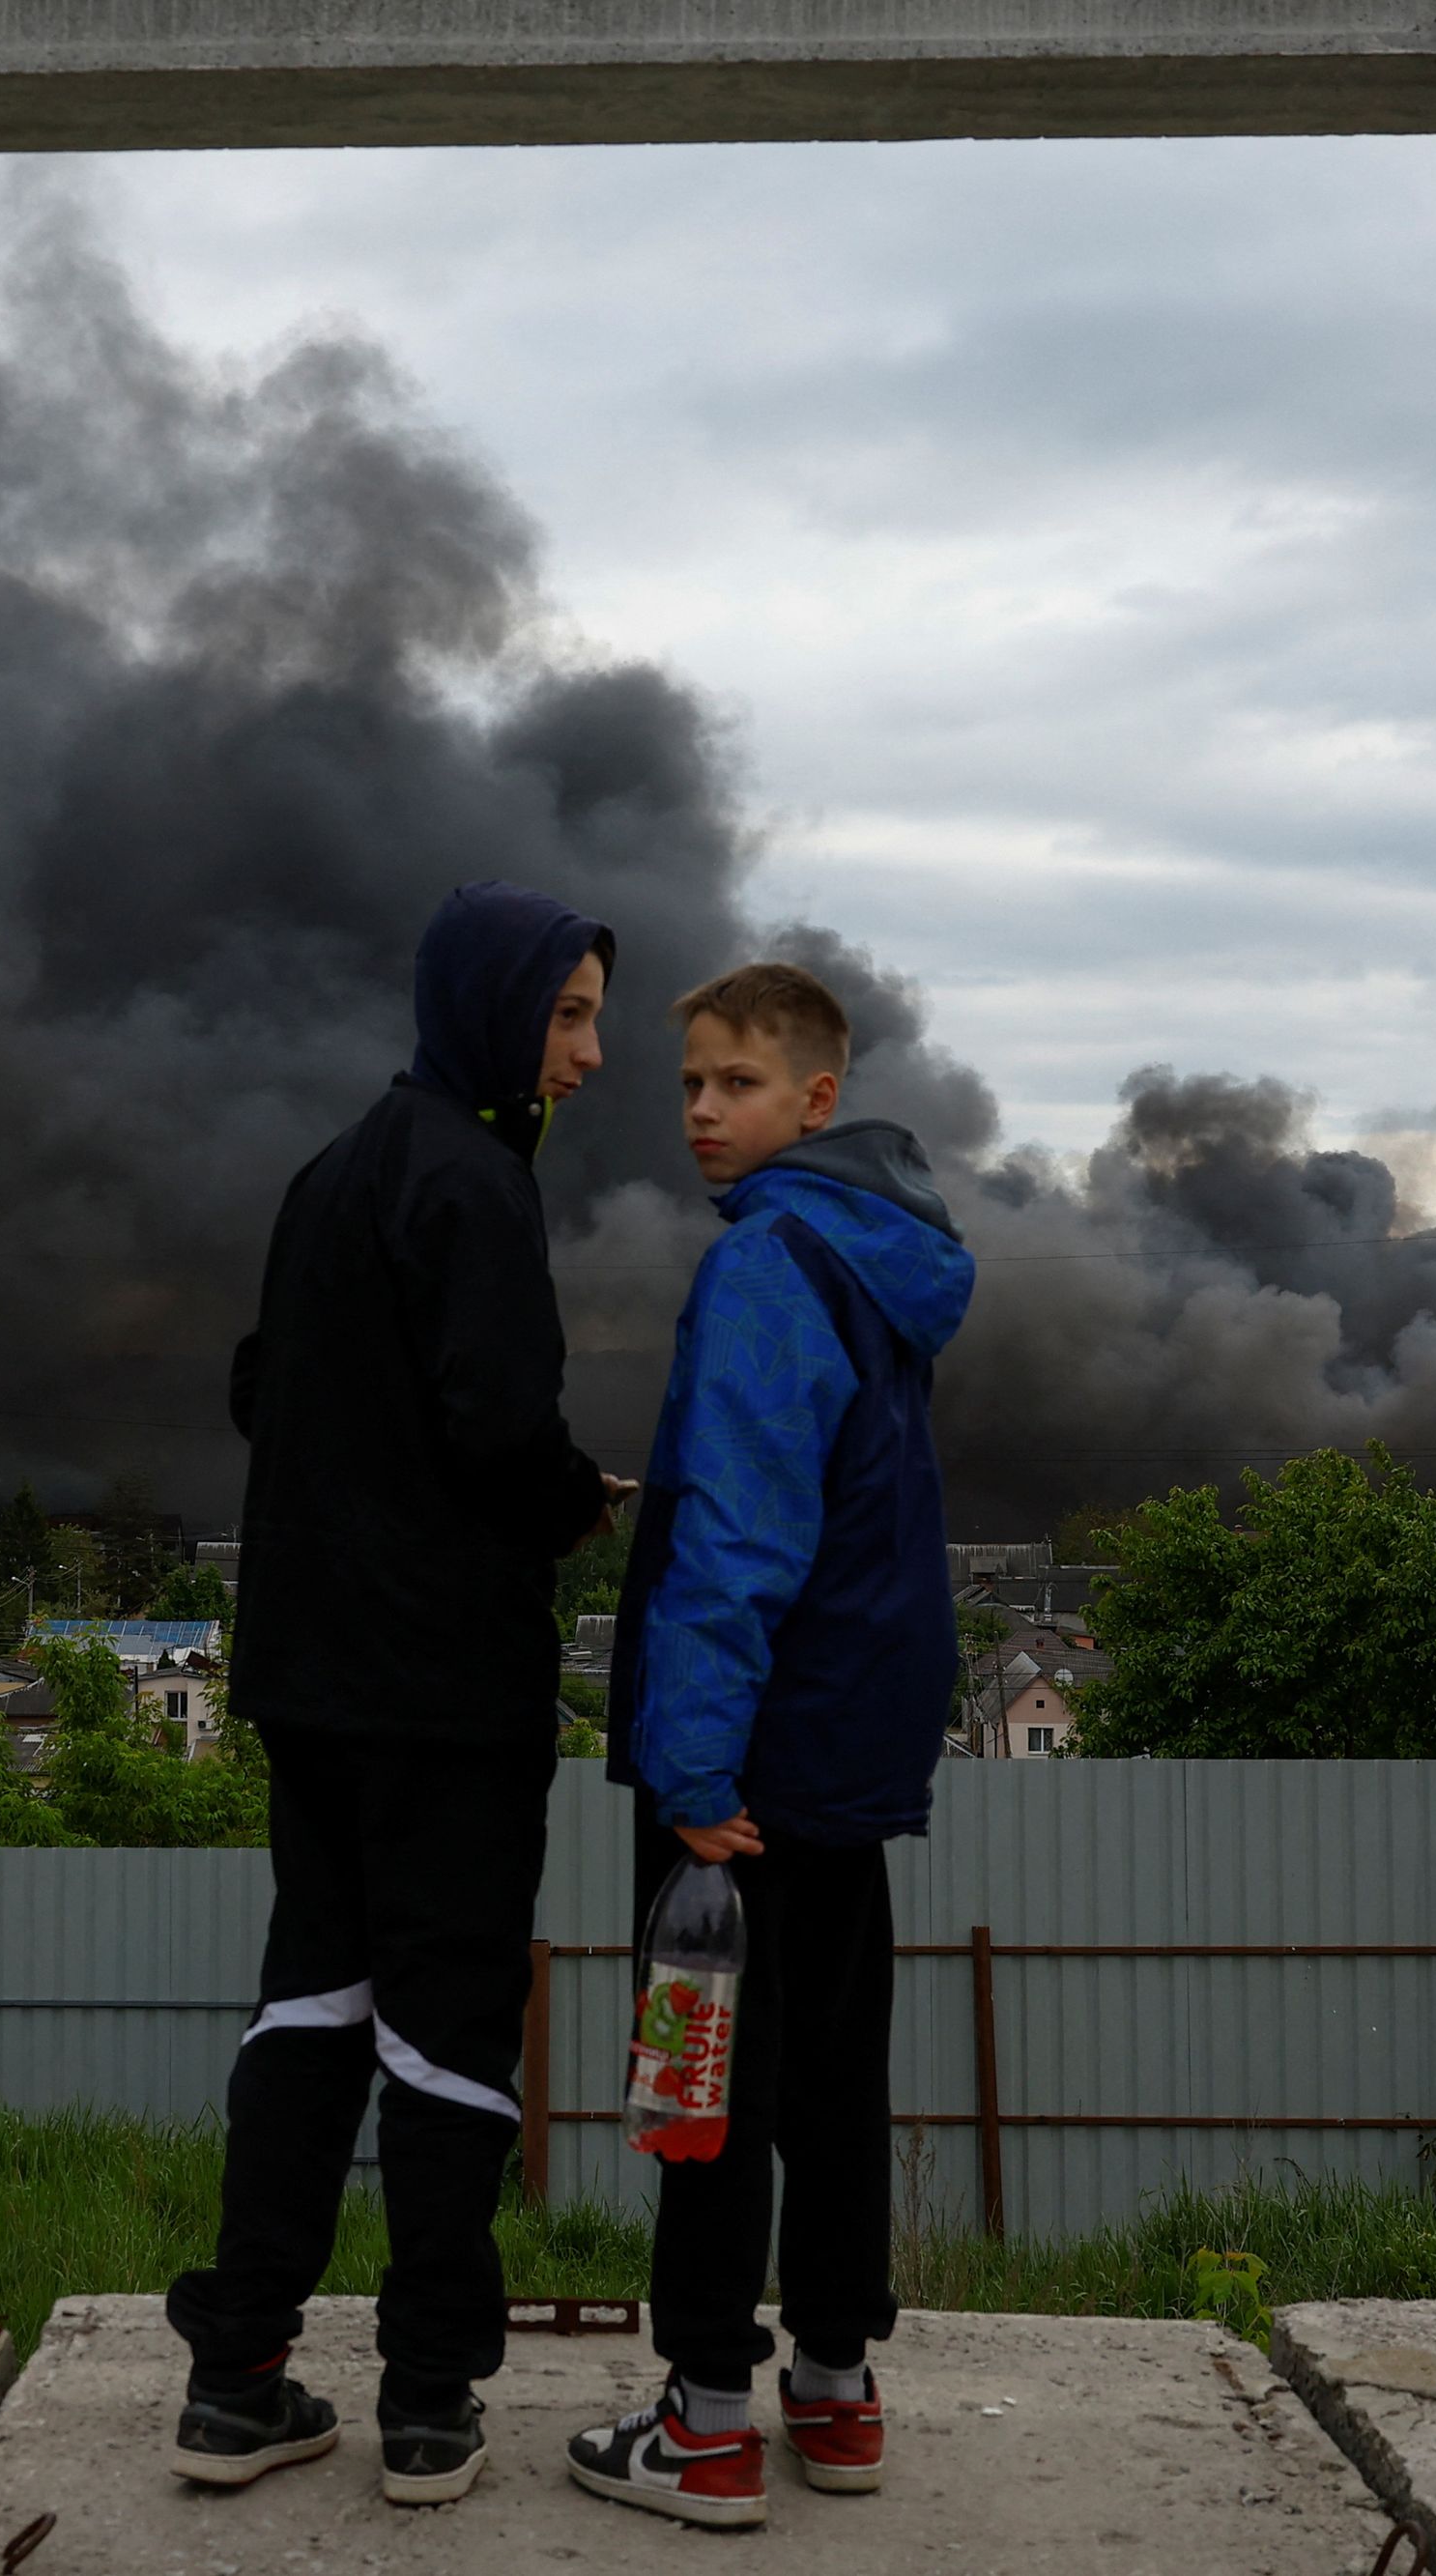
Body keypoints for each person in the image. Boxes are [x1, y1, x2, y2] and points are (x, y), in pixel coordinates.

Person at [164, 879, 628, 2507]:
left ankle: (235, 2379)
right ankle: (429, 2401)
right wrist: (579, 1497)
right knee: (448, 2041)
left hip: (307, 1683)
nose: (589, 1052)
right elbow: (500, 1427)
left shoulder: (332, 1172)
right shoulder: (477, 1184)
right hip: (445, 1696)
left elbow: (253, 1383)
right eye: (567, 1014)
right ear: (495, 1010)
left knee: (309, 2012)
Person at [567, 960, 972, 2531]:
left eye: (734, 1084)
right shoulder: (888, 1262)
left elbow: (736, 1540)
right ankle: (837, 2392)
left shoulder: (766, 1267)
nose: (699, 1114)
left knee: (706, 2083)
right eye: (687, 1086)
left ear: (818, 1098)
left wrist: (693, 1772)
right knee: (838, 2080)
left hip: (743, 1774)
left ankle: (707, 2423)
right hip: (852, 1761)